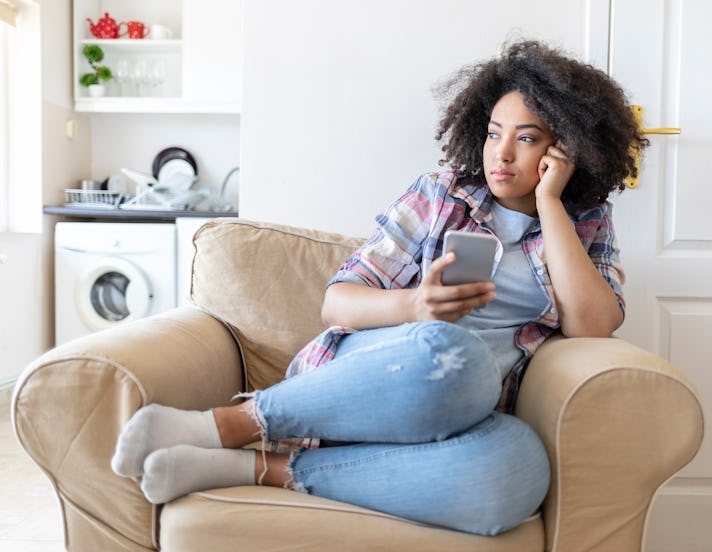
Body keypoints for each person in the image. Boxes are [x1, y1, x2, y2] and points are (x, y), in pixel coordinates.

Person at [111, 40, 646, 536]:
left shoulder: (583, 220)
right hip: (387, 376)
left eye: (526, 138)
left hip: (467, 413)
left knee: (517, 473)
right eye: (493, 132)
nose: (500, 154)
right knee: (454, 353)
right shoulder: (441, 193)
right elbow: (337, 301)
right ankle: (226, 426)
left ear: (567, 149)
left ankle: (254, 468)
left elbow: (592, 325)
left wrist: (552, 205)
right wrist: (417, 305)